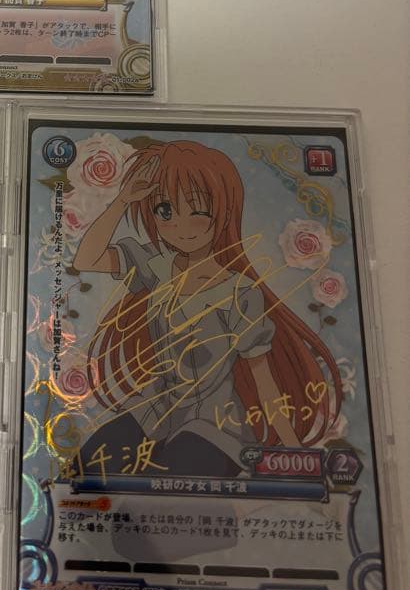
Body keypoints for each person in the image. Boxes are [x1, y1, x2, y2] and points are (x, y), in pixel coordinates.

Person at [72, 140, 342, 478]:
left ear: (222, 213)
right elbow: (87, 259)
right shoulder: (157, 266)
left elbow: (264, 382)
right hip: (155, 409)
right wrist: (123, 201)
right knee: (84, 470)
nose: (180, 226)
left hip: (214, 424)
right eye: (165, 211)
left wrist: (294, 456)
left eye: (198, 212)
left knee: (174, 485)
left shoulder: (239, 293)